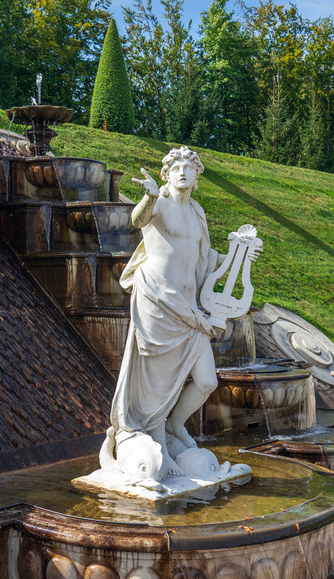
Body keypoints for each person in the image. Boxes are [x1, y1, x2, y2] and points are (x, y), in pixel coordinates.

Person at [103, 146, 252, 482]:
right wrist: (148, 198)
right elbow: (137, 220)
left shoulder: (197, 213)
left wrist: (240, 258)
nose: (182, 172)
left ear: (198, 176)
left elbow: (204, 261)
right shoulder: (159, 204)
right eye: (176, 168)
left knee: (206, 381)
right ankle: (156, 438)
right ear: (165, 175)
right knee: (159, 383)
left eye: (189, 168)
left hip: (189, 307)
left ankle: (173, 425)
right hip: (157, 300)